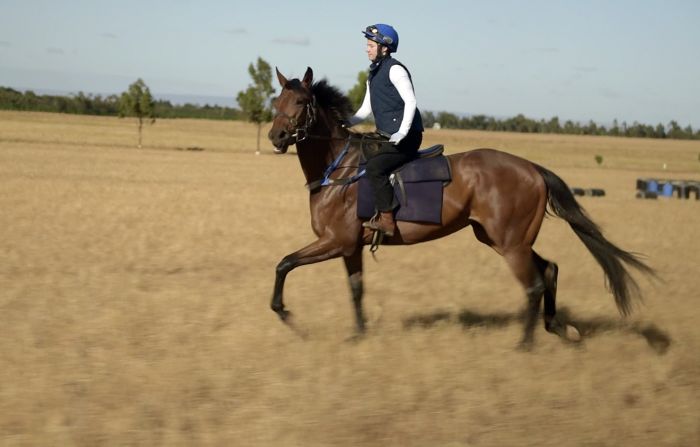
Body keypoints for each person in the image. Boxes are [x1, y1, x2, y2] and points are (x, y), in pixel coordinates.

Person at [346, 23, 424, 237]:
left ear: (384, 48)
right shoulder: (373, 73)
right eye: (367, 45)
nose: (367, 48)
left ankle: (387, 220)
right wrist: (347, 122)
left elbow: (411, 102)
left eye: (371, 45)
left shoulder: (395, 69)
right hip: (387, 137)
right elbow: (366, 109)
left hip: (406, 139)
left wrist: (402, 132)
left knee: (375, 168)